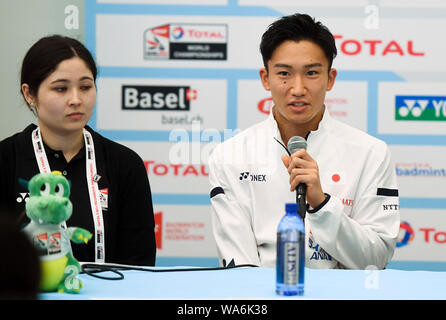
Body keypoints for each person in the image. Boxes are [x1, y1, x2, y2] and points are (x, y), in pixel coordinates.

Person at [208, 14, 400, 269]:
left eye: (311, 73)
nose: (298, 88)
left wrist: (321, 203)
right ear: (265, 78)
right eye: (284, 73)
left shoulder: (371, 153)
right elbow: (239, 268)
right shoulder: (229, 156)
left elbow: (375, 260)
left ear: (330, 78)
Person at [0, 35, 156, 266]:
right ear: (29, 94)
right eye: (61, 88)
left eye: (85, 86)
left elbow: (139, 262)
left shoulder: (125, 164)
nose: (76, 99)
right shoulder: (5, 159)